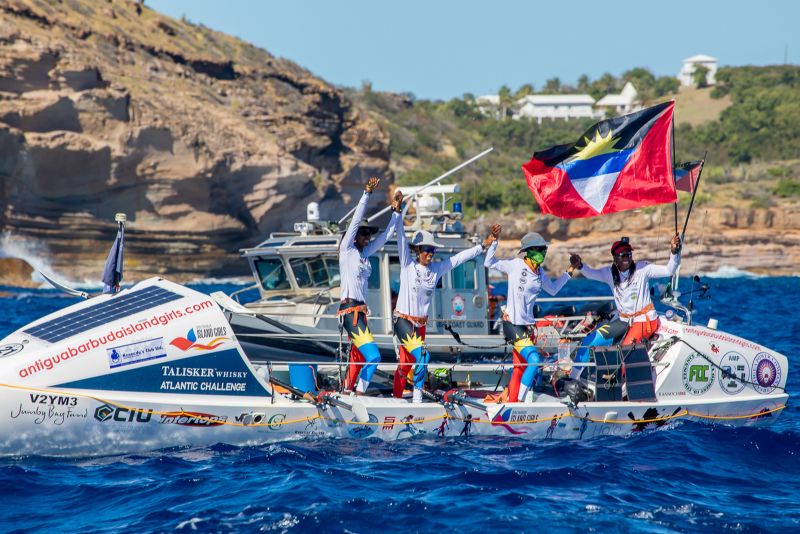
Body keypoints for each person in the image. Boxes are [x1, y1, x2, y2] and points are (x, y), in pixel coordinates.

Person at [393, 218, 500, 403]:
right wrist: (397, 212)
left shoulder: (436, 270)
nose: (430, 254)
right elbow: (401, 237)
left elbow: (458, 259)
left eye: (432, 250)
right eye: (427, 250)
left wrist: (483, 245)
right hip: (403, 321)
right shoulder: (407, 265)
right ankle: (416, 398)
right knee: (423, 355)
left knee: (405, 364)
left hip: (420, 325)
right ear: (418, 250)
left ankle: (395, 398)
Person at [569, 235, 682, 378]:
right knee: (588, 340)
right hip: (623, 320)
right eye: (623, 255)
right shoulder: (609, 273)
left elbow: (669, 271)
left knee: (624, 354)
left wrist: (674, 252)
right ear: (615, 258)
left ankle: (611, 388)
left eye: (629, 254)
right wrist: (579, 266)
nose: (627, 257)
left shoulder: (643, 268)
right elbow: (591, 274)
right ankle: (571, 379)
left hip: (645, 320)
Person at [484, 230, 572, 402]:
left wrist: (570, 270)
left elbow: (553, 290)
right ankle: (522, 403)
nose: (543, 253)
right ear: (530, 251)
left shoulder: (540, 273)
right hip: (512, 324)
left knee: (519, 368)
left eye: (544, 249)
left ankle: (512, 402)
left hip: (527, 326)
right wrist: (494, 242)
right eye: (539, 249)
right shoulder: (516, 265)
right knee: (534, 361)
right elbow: (488, 262)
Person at [338, 177, 404, 395]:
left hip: (360, 311)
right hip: (350, 311)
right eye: (364, 233)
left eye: (368, 233)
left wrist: (396, 213)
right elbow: (356, 221)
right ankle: (360, 393)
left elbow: (385, 237)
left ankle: (347, 392)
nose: (367, 236)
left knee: (358, 357)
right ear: (355, 235)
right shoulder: (346, 250)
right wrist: (366, 193)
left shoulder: (364, 254)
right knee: (373, 356)